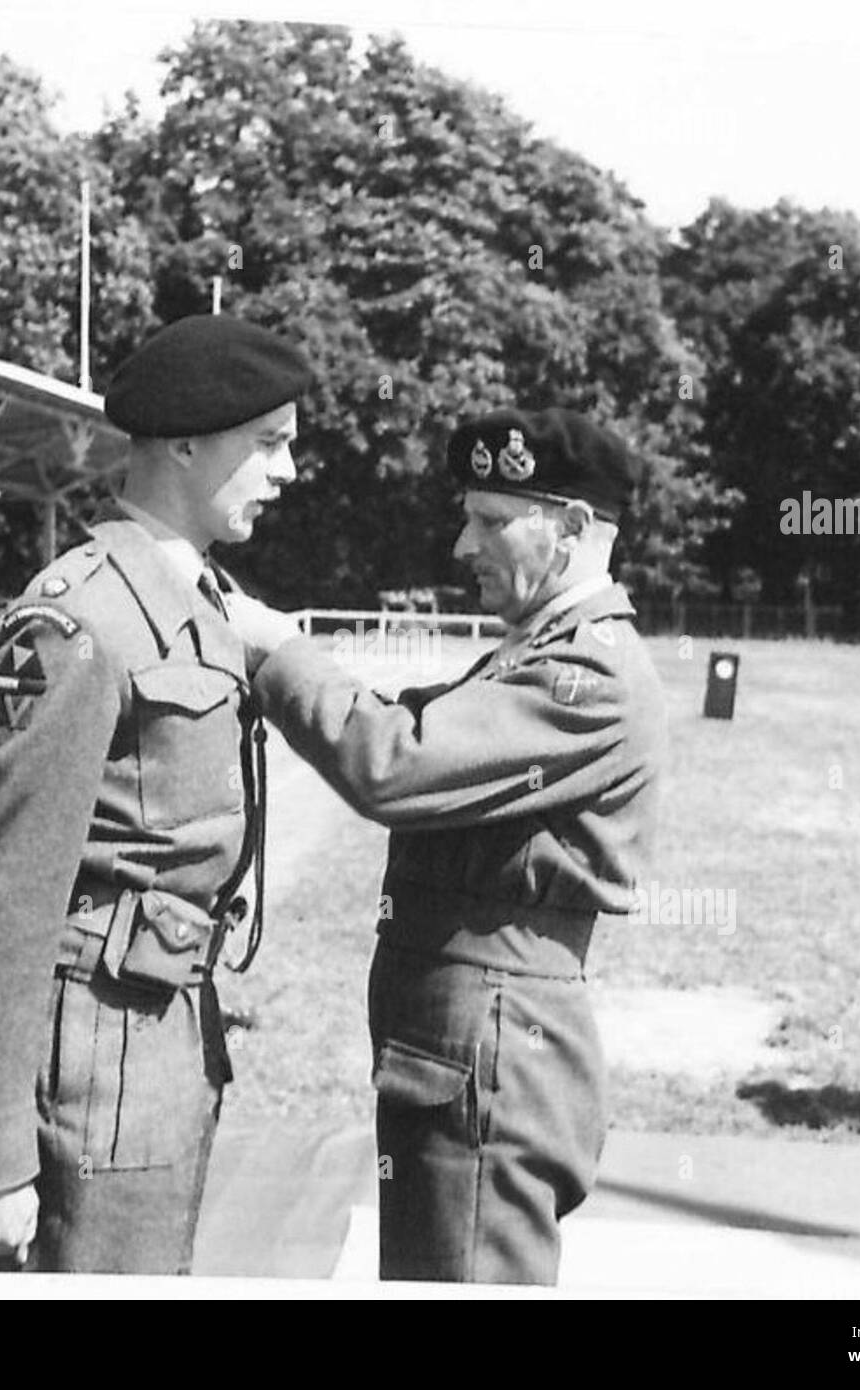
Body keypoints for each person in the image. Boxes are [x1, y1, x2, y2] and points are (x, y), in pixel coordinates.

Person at [0, 314, 313, 1273]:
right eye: (268, 444)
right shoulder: (81, 619)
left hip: (161, 1042)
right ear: (183, 444)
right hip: (95, 1075)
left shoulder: (195, 600)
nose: (288, 470)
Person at [228, 407, 667, 1285]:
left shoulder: (588, 675)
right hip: (469, 1036)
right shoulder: (542, 652)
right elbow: (410, 718)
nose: (464, 545)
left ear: (574, 529)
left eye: (493, 521)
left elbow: (392, 762)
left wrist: (273, 647)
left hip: (494, 1042)